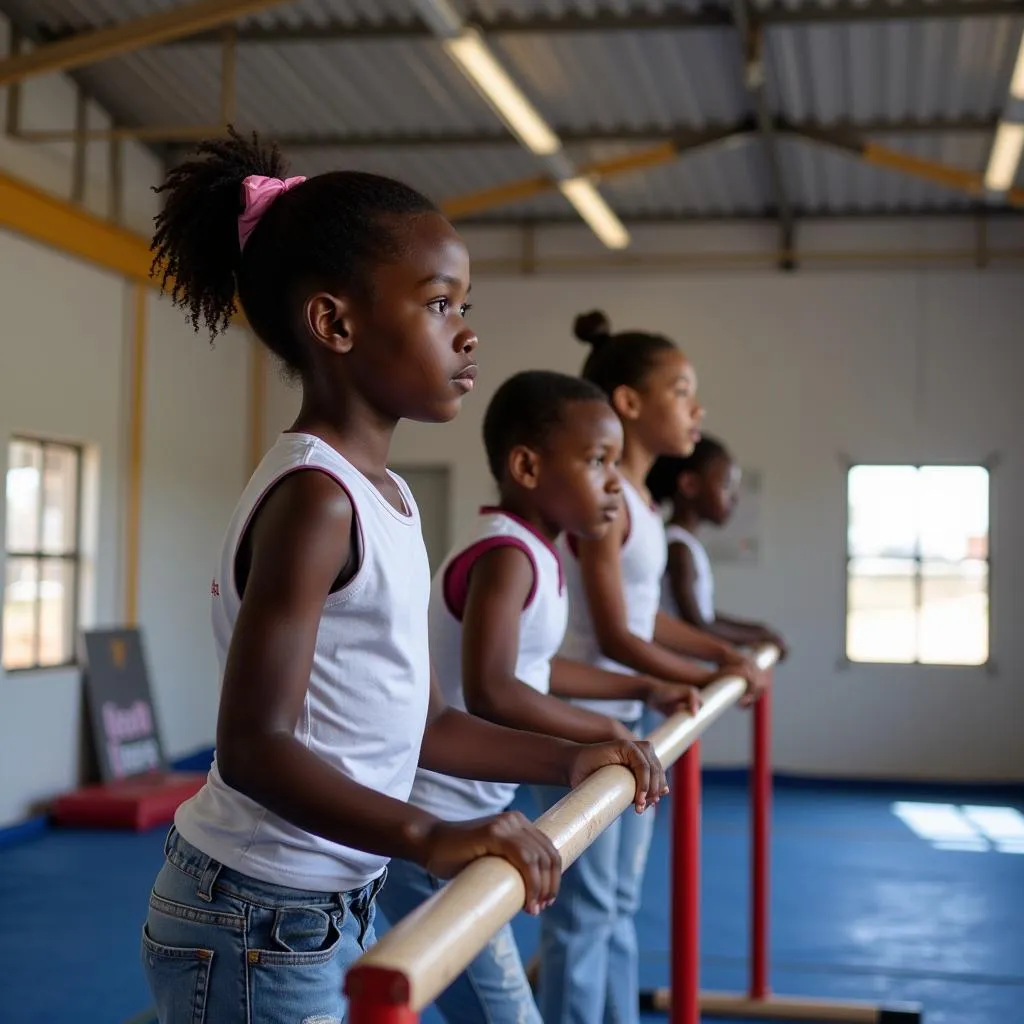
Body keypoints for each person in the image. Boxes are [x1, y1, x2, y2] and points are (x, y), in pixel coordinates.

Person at [140, 131, 668, 1024]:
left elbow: (423, 726)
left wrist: (572, 757)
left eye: (464, 303)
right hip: (256, 912)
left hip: (322, 904)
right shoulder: (316, 500)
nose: (466, 331)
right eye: (436, 304)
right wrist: (434, 833)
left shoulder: (386, 498)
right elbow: (254, 746)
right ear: (334, 323)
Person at [377, 370, 697, 1024]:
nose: (614, 481)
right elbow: (495, 689)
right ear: (526, 466)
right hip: (437, 819)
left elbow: (539, 672)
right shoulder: (505, 556)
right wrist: (596, 728)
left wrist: (641, 687)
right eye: (595, 461)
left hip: (469, 815)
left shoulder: (536, 555)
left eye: (615, 462)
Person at [532, 312, 770, 1024]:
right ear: (630, 403)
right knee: (588, 907)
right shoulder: (606, 501)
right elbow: (615, 633)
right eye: (681, 391)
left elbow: (643, 620)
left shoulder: (637, 501)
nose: (697, 409)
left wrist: (718, 655)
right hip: (586, 713)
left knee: (619, 901)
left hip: (626, 715)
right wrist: (690, 674)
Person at [647, 436, 788, 657]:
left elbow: (705, 615)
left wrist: (758, 631)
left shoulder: (686, 544)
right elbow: (697, 624)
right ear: (690, 485)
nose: (734, 499)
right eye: (725, 486)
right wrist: (755, 637)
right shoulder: (678, 548)